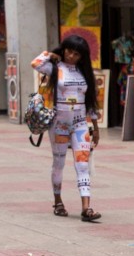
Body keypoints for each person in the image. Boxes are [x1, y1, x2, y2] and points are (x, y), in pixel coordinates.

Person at [32, 35, 101, 221]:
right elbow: (35, 63)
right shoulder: (54, 68)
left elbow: (91, 101)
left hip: (80, 124)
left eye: (76, 53)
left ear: (82, 56)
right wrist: (50, 54)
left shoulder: (84, 72)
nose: (71, 56)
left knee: (83, 165)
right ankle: (58, 201)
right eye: (69, 51)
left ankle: (86, 207)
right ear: (63, 49)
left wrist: (95, 126)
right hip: (59, 125)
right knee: (59, 163)